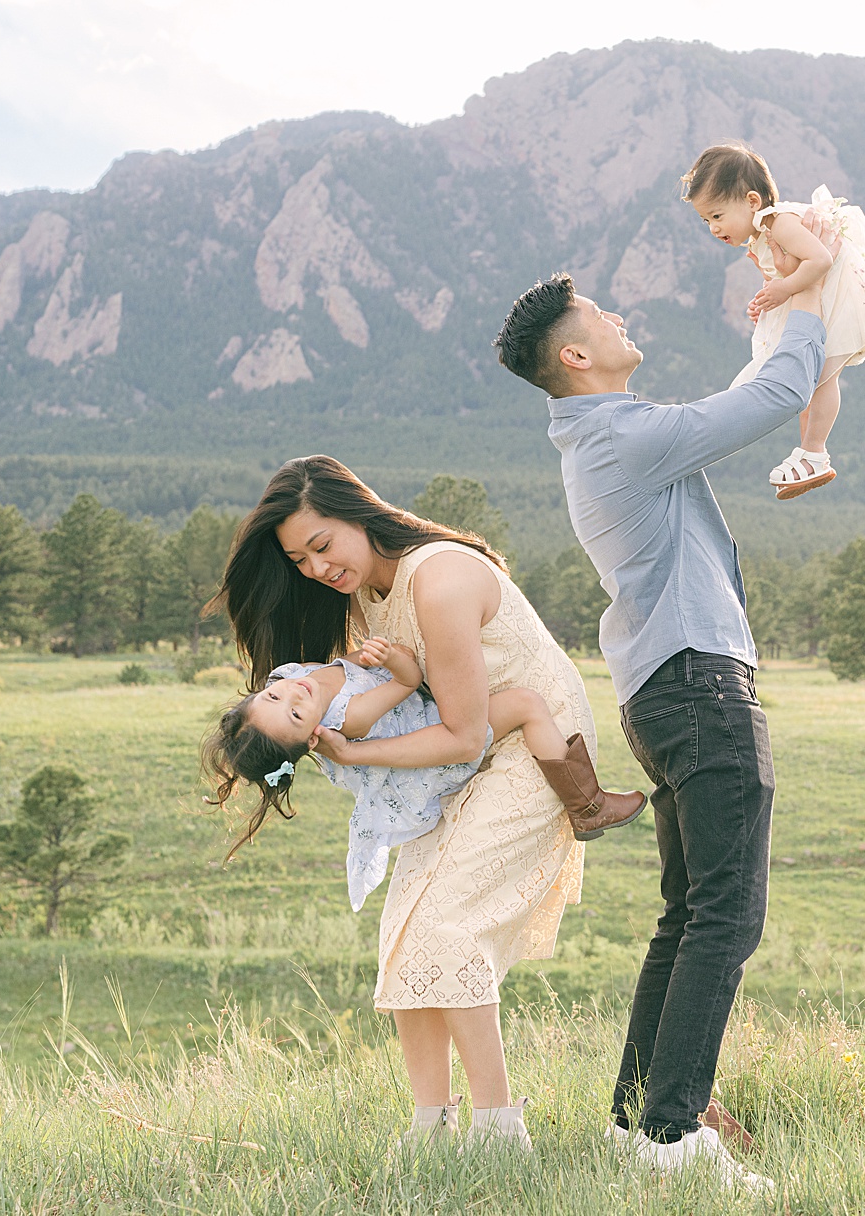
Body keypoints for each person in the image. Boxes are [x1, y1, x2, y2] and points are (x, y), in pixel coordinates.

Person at [491, 270, 826, 1192]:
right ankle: (671, 1137)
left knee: (689, 916)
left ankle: (636, 1124)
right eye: (603, 315)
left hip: (665, 693)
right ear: (575, 354)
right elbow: (777, 395)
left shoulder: (603, 441)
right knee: (726, 914)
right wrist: (809, 297)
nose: (620, 317)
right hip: (700, 690)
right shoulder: (624, 437)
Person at [217, 456, 643, 1150]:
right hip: (454, 759)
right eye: (300, 561)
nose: (317, 570)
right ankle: (430, 1128)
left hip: (525, 746)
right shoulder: (366, 595)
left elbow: (462, 731)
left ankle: (499, 1129)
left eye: (322, 546)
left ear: (355, 512)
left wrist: (356, 755)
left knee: (446, 929)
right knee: (403, 934)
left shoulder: (437, 580)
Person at [204, 633, 639, 912]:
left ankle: (584, 801)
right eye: (297, 715)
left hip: (429, 719)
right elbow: (406, 682)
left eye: (275, 696)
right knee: (527, 704)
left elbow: (348, 666)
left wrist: (365, 653)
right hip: (435, 741)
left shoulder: (294, 677)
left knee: (523, 702)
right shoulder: (348, 717)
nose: (293, 695)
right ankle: (587, 806)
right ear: (315, 736)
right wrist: (393, 659)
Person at [681, 141, 865, 497]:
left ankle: (815, 453)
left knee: (821, 376)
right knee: (809, 377)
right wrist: (769, 297)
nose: (713, 229)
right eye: (706, 221)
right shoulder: (762, 234)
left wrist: (782, 291)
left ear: (751, 201)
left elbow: (820, 260)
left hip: (843, 300)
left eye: (717, 216)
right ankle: (809, 453)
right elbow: (790, 274)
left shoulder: (777, 222)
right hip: (825, 299)